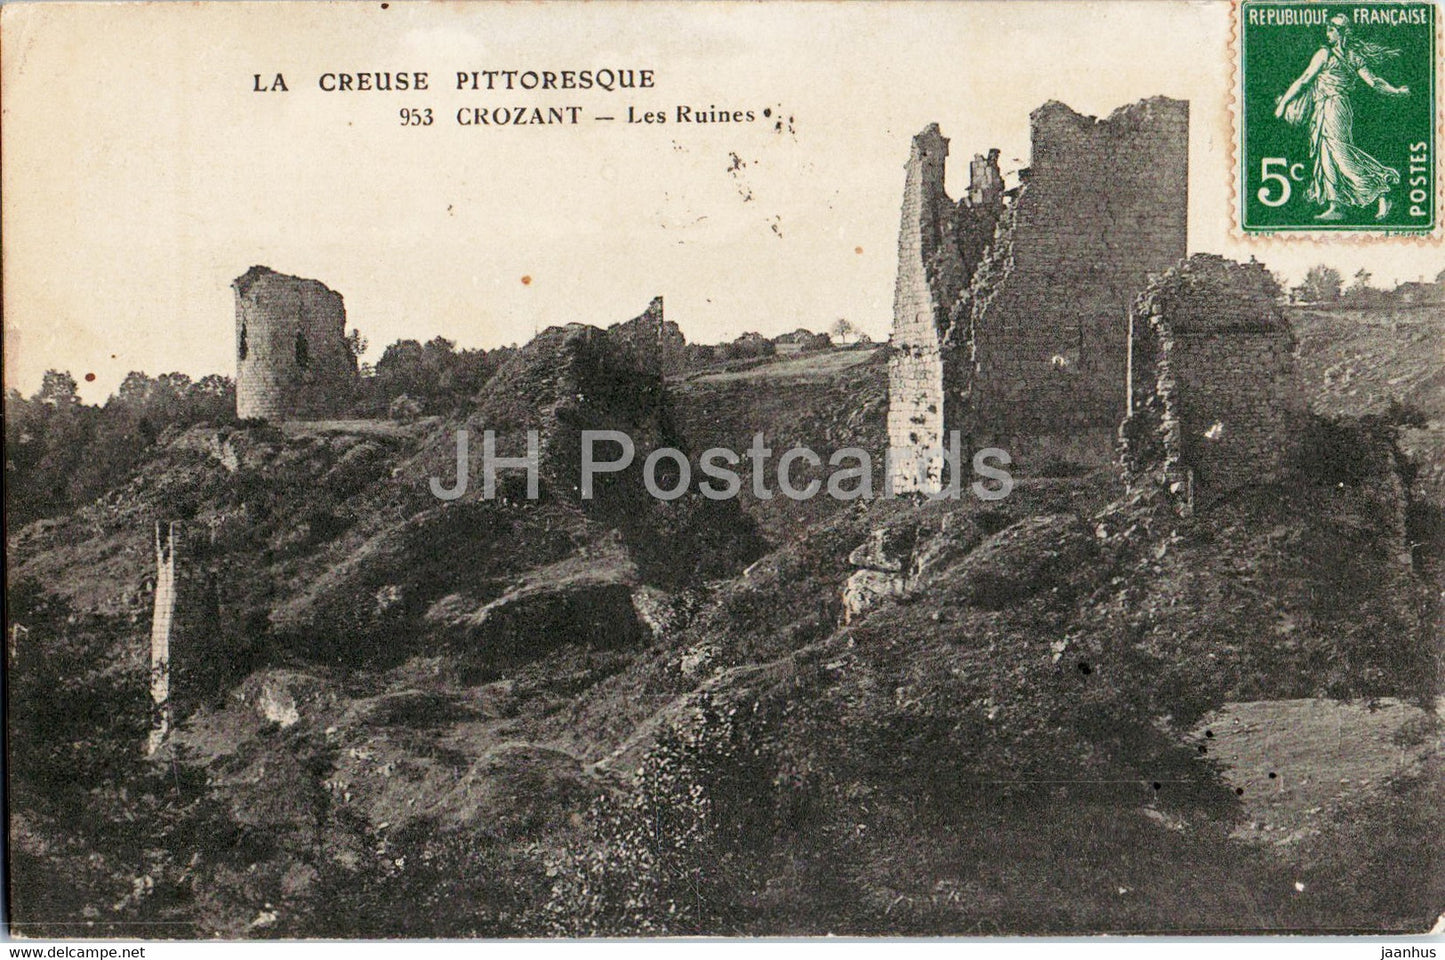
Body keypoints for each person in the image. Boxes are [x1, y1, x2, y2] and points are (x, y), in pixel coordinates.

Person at [1274, 13, 1410, 220]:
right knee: (1326, 155)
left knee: (1340, 154)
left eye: (1331, 30)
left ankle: (1380, 190)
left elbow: (1305, 80)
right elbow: (1373, 82)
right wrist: (1396, 91)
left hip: (1335, 107)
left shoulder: (1333, 55)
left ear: (1341, 33)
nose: (1327, 34)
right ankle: (1336, 205)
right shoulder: (1339, 55)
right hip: (1323, 108)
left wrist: (1284, 103)